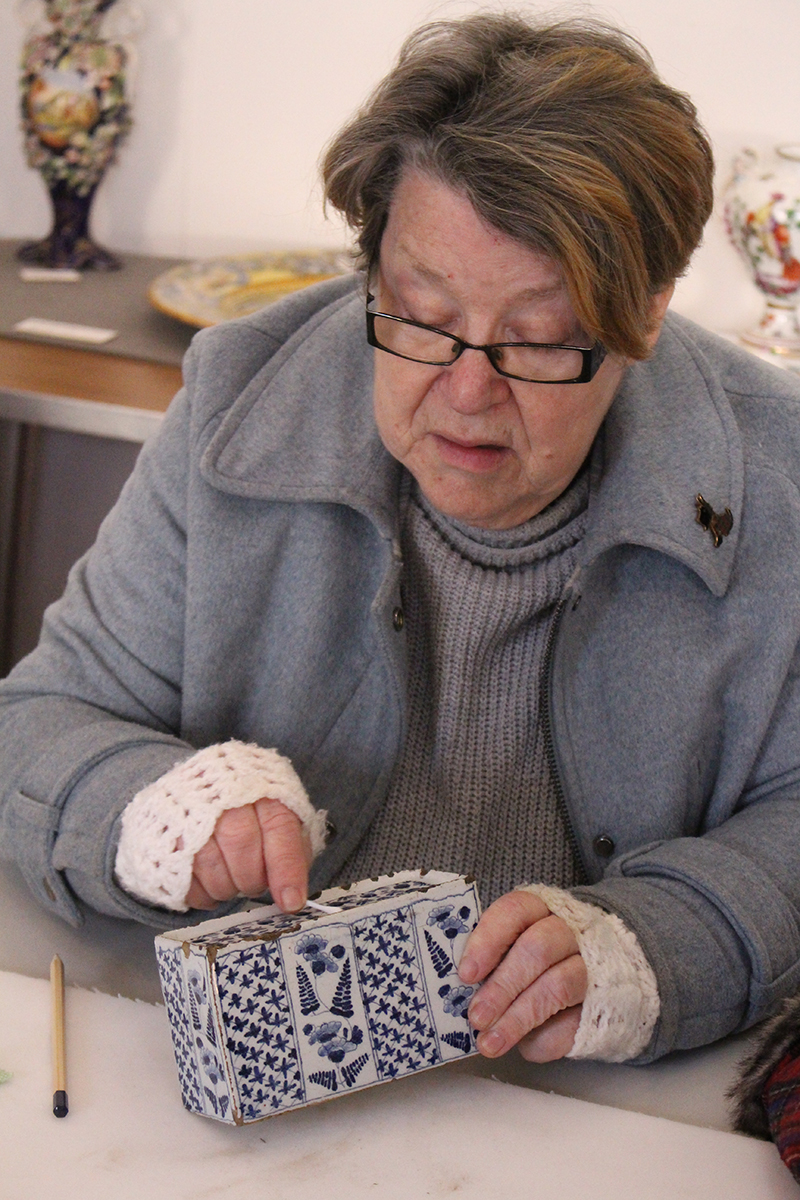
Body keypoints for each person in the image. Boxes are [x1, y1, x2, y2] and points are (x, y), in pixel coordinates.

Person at [2, 11, 800, 1070]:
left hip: (586, 1103)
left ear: (644, 315)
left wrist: (664, 941)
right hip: (256, 1071)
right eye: (419, 315)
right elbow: (40, 720)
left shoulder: (769, 471)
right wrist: (148, 808)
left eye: (534, 340)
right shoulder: (242, 401)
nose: (465, 394)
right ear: (371, 271)